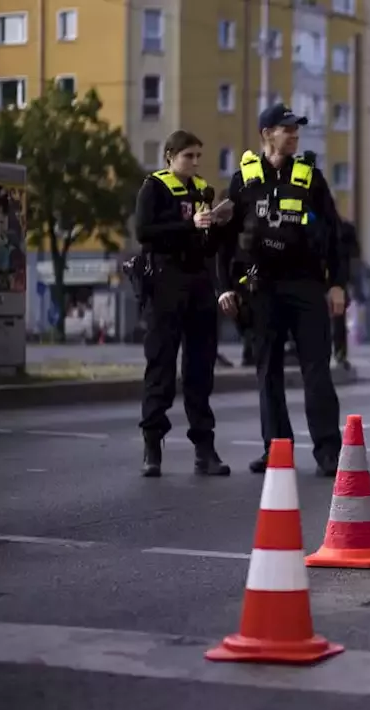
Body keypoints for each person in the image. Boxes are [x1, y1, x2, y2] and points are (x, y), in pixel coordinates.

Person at [214, 103, 349, 478]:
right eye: (286, 128)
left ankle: (328, 452)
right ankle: (277, 449)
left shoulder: (311, 177)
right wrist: (224, 287)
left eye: (296, 129)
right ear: (266, 134)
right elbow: (224, 242)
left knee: (316, 370)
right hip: (261, 288)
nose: (294, 135)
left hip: (306, 285)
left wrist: (337, 283)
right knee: (267, 371)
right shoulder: (243, 180)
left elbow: (336, 236)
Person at [134, 130, 232, 478]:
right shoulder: (155, 187)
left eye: (197, 156)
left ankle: (204, 449)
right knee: (160, 365)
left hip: (198, 285)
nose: (194, 162)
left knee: (200, 370)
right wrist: (187, 225)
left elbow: (207, 247)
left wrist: (217, 226)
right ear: (170, 156)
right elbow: (144, 231)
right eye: (188, 156)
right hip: (165, 284)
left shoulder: (201, 190)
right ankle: (152, 446)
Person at [331, 219, 358, 371]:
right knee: (337, 321)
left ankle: (339, 354)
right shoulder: (343, 229)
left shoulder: (343, 229)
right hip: (333, 282)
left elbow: (354, 257)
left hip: (335, 282)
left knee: (337, 320)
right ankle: (339, 354)